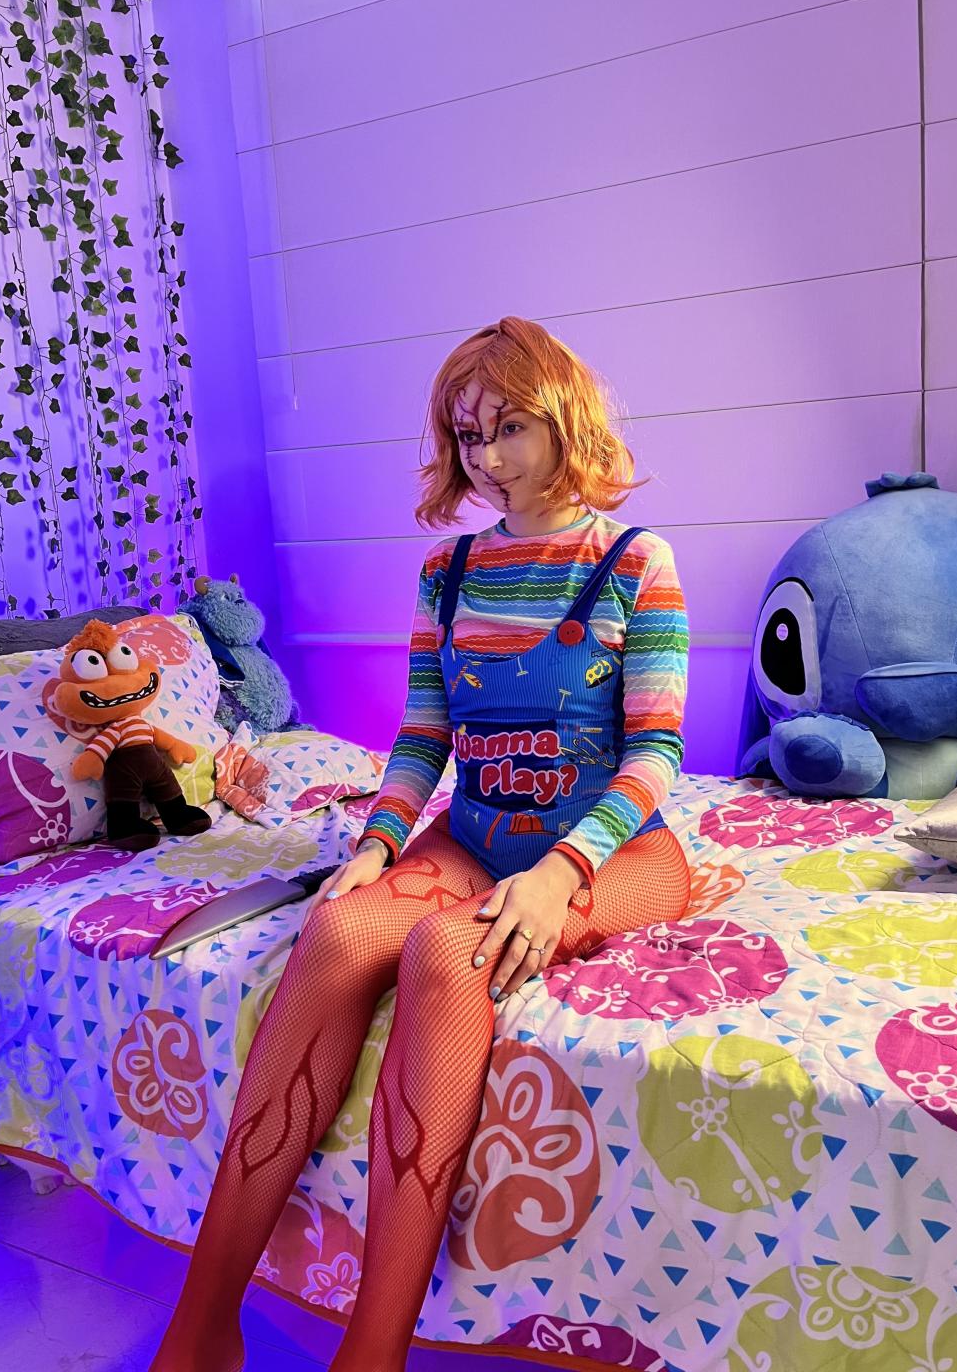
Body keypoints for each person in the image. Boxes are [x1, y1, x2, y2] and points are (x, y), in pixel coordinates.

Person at [149, 315, 692, 1372]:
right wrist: (379, 843)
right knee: (343, 929)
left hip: (614, 850)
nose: (487, 457)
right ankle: (201, 1328)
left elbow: (657, 752)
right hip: (476, 830)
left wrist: (561, 873)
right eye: (467, 434)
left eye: (510, 427)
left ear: (566, 418)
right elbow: (424, 736)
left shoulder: (636, 559)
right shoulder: (448, 571)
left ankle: (374, 1351)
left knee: (449, 955)